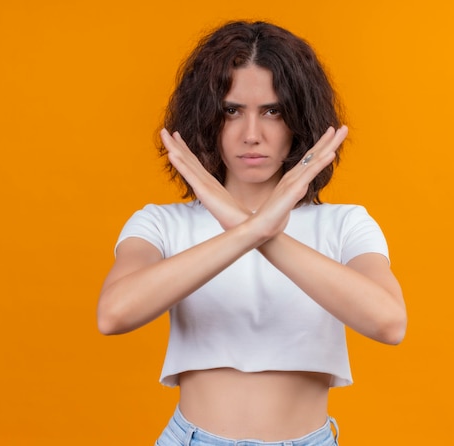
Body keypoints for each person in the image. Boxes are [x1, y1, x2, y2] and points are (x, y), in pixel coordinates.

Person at [97, 20, 406, 446]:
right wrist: (249, 230)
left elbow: (389, 323)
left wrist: (258, 231)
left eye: (273, 111)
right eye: (232, 110)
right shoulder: (162, 223)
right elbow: (114, 314)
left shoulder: (345, 223)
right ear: (207, 116)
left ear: (300, 119)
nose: (251, 135)